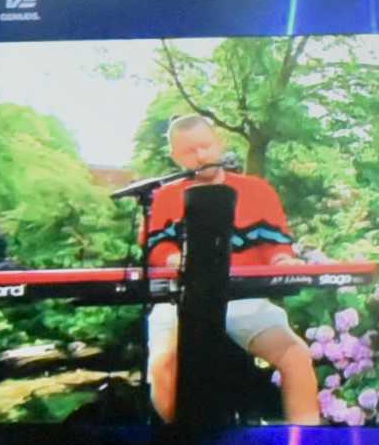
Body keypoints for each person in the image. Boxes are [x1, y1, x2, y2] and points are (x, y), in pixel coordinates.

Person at [134, 115, 322, 426]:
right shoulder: (165, 196)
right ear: (176, 157)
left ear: (219, 143)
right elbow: (157, 249)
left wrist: (282, 261)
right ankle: (184, 441)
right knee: (162, 362)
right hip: (179, 301)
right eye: (189, 151)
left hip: (244, 300)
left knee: (296, 355)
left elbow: (276, 247)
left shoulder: (258, 191)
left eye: (205, 146)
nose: (200, 156)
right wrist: (173, 260)